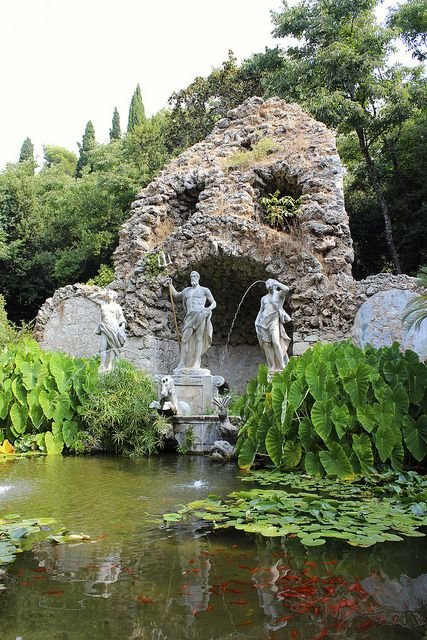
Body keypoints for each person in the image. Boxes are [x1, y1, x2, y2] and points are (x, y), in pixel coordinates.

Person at [165, 271, 216, 373]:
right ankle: (182, 363)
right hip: (189, 317)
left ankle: (197, 362)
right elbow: (175, 295)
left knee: (198, 338)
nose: (193, 278)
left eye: (195, 276)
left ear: (198, 277)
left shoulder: (204, 290)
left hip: (200, 315)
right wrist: (170, 284)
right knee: (184, 340)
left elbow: (214, 302)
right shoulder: (186, 291)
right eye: (192, 276)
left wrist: (208, 309)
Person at [255, 279, 291, 374]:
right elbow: (261, 310)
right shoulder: (264, 298)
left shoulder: (279, 295)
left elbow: (286, 289)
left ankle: (282, 365)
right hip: (263, 323)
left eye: (270, 282)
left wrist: (278, 283)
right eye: (267, 283)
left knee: (276, 342)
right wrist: (256, 321)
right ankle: (272, 365)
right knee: (267, 345)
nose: (268, 284)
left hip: (274, 321)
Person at [88, 289, 127, 373]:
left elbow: (121, 318)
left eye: (111, 293)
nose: (109, 294)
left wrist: (122, 327)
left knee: (113, 346)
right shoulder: (103, 304)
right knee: (102, 347)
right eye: (108, 293)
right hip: (104, 326)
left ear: (114, 296)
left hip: (114, 326)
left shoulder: (117, 306)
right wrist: (99, 293)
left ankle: (110, 364)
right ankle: (102, 364)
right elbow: (90, 297)